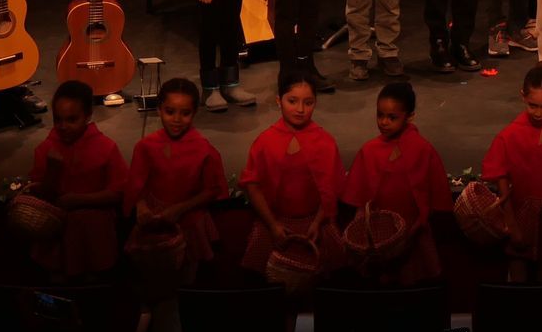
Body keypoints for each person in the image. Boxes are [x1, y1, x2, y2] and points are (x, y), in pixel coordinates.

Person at [239, 72, 346, 286]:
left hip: (314, 223)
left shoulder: (325, 141)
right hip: (275, 221)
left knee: (325, 281)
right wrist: (272, 224)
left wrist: (317, 222)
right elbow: (252, 186)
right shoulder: (265, 142)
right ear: (279, 101)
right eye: (292, 101)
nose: (300, 109)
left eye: (308, 103)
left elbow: (331, 186)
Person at [341, 81, 451, 285]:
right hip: (378, 236)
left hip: (413, 233)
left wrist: (416, 229)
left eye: (392, 117)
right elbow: (359, 199)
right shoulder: (369, 150)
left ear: (410, 116)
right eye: (380, 115)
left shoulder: (423, 150)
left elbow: (436, 199)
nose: (384, 122)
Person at [482, 63, 542, 283]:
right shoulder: (509, 136)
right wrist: (511, 224)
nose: (538, 113)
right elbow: (502, 184)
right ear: (522, 97)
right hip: (519, 215)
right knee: (518, 281)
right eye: (533, 105)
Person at [126, 78, 229, 283]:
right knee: (152, 272)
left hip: (190, 220)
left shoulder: (203, 149)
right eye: (170, 111)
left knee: (186, 276)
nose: (176, 119)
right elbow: (136, 183)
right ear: (159, 109)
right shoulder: (146, 146)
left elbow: (212, 189)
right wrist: (141, 205)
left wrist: (180, 209)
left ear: (195, 113)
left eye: (185, 113)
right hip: (154, 221)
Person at [25, 80, 126, 278]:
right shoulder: (46, 148)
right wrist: (52, 171)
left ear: (88, 116)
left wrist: (79, 200)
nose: (63, 127)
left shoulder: (106, 147)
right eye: (58, 119)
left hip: (94, 234)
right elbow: (39, 197)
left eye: (72, 119)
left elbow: (119, 192)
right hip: (56, 236)